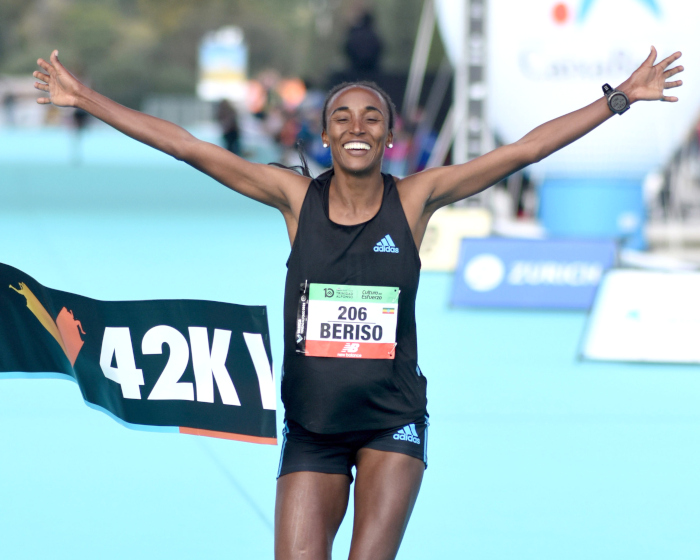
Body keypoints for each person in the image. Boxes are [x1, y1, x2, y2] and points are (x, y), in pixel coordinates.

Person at [33, 47, 683, 560]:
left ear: (390, 138)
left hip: (389, 425)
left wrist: (619, 99)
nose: (356, 127)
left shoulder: (416, 199)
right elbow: (188, 146)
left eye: (371, 117)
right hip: (312, 428)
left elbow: (524, 150)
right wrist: (83, 98)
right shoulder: (294, 199)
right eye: (341, 117)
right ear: (322, 135)